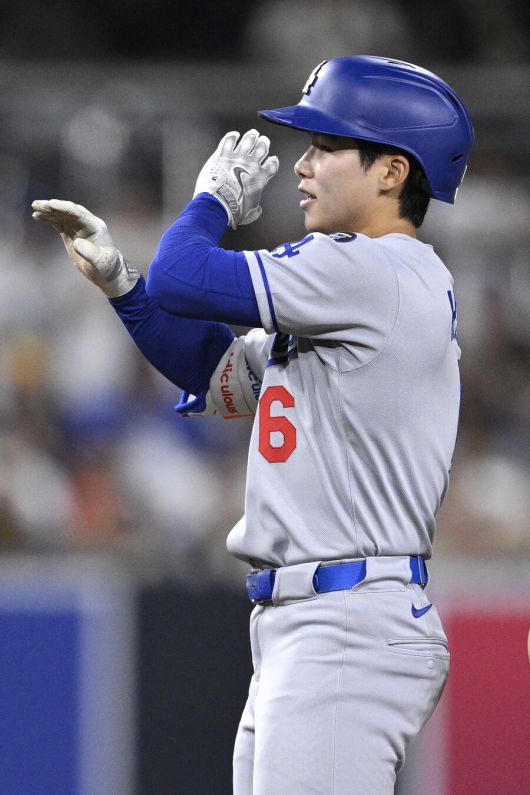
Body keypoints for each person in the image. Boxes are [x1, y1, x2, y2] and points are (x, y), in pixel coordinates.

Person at [33, 55, 474, 795]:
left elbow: (186, 274)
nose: (304, 164)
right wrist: (123, 286)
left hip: (346, 622)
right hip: (318, 622)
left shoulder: (373, 270)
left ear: (392, 172)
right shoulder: (353, 290)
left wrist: (209, 202)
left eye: (327, 146)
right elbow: (214, 373)